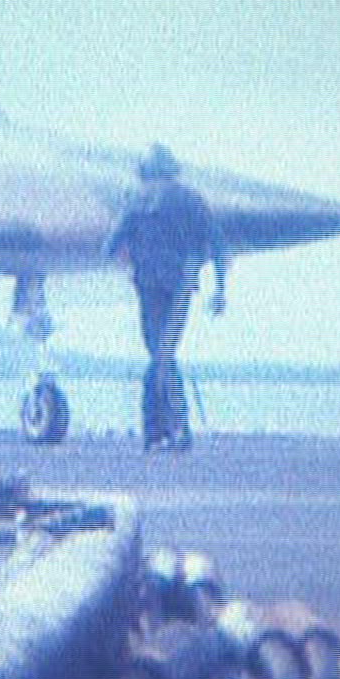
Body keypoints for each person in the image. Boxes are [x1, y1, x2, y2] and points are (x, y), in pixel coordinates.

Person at [106, 144, 229, 452]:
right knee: (163, 354)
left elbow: (110, 246)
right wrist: (220, 289)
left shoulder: (137, 199)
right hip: (181, 284)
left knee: (159, 353)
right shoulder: (191, 199)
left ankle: (158, 430)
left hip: (147, 284)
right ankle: (170, 429)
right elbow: (218, 245)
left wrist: (130, 264)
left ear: (147, 171)